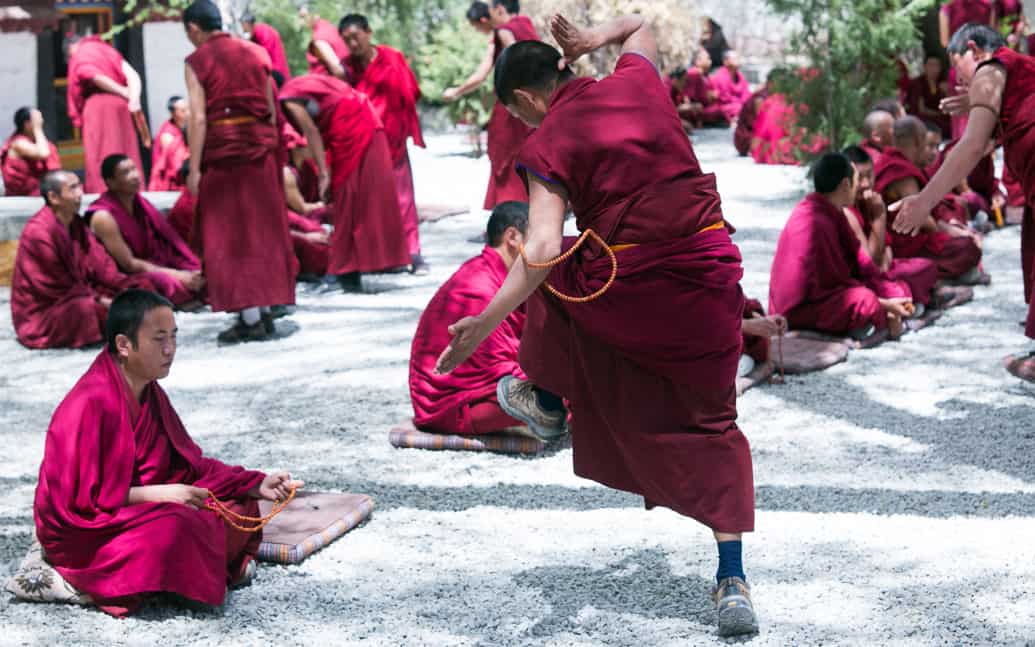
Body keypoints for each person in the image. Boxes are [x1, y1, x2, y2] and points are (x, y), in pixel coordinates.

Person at [436, 14, 759, 637]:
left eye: (519, 114)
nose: (526, 126)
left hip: (635, 288)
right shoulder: (635, 80)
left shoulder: (548, 140)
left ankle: (551, 401)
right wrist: (591, 40)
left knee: (561, 273)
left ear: (527, 99)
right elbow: (640, 24)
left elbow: (536, 249)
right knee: (715, 421)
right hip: (710, 274)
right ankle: (732, 578)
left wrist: (480, 326)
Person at [33, 289, 303, 617]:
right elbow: (82, 502)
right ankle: (187, 576)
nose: (170, 349)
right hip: (86, 528)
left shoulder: (148, 391)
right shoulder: (90, 403)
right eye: (158, 339)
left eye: (174, 337)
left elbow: (186, 463)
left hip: (133, 506)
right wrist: (161, 494)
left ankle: (184, 573)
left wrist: (253, 483)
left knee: (232, 504)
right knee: (178, 526)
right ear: (123, 345)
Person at [890, 24, 1035, 375]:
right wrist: (979, 100)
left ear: (974, 49)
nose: (961, 79)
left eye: (958, 66)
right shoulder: (1023, 67)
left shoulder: (992, 67)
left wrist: (924, 200)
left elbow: (971, 146)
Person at [183, 0, 297, 343]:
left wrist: (194, 166)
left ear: (193, 29)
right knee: (261, 230)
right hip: (260, 150)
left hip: (224, 153)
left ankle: (249, 320)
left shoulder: (196, 61)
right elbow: (271, 109)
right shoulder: (257, 52)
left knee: (232, 234)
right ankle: (263, 312)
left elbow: (199, 118)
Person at [278, 74, 410, 290]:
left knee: (348, 196)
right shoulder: (298, 86)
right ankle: (350, 267)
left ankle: (344, 267)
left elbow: (311, 131)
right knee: (350, 197)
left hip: (351, 123)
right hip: (358, 117)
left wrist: (323, 173)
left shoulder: (288, 97)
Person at [410, 202, 531, 436]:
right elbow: (499, 371)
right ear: (513, 237)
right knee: (548, 396)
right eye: (538, 242)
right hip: (450, 403)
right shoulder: (478, 287)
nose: (545, 251)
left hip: (483, 390)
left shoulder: (496, 274)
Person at [770, 153, 912, 340]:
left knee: (895, 289)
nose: (861, 186)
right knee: (865, 301)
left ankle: (879, 317)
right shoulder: (815, 221)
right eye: (856, 180)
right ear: (846, 184)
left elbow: (861, 263)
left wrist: (885, 293)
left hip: (824, 298)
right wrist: (883, 304)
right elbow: (834, 283)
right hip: (798, 310)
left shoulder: (830, 212)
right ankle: (881, 319)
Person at [10, 171, 155, 349]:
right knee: (87, 311)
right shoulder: (39, 233)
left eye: (79, 186)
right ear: (53, 197)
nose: (80, 193)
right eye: (72, 188)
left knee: (140, 288)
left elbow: (102, 265)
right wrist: (100, 300)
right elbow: (55, 286)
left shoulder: (77, 224)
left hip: (84, 292)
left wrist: (124, 286)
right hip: (46, 312)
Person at [341, 13, 428, 274]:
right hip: (364, 142)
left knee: (403, 198)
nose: (353, 44)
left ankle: (413, 252)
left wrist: (403, 125)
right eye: (347, 40)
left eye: (356, 37)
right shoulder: (346, 67)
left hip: (394, 137)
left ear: (368, 32)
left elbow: (411, 92)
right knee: (371, 202)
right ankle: (383, 257)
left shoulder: (392, 58)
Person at [445, 1, 541, 212]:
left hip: (512, 108)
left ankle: (511, 216)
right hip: (536, 105)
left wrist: (456, 91)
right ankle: (531, 215)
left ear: (499, 10)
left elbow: (485, 71)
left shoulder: (503, 31)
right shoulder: (528, 25)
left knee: (505, 160)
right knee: (531, 158)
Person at [874, 116, 984, 282]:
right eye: (927, 143)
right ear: (918, 140)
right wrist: (954, 235)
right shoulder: (901, 172)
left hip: (909, 241)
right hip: (908, 247)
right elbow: (924, 219)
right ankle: (936, 279)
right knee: (967, 248)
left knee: (962, 232)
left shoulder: (890, 161)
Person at [86, 154, 204, 307]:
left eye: (134, 169)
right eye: (125, 173)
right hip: (129, 275)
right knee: (169, 285)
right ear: (111, 183)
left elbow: (166, 240)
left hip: (155, 263)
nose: (135, 176)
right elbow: (128, 264)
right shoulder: (103, 216)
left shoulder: (140, 203)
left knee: (199, 273)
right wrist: (178, 275)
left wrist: (186, 270)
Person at [843, 145, 940, 310]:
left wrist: (885, 258)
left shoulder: (869, 202)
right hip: (860, 280)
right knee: (897, 290)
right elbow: (869, 264)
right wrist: (879, 217)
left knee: (927, 267)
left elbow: (886, 249)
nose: (866, 184)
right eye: (860, 178)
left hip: (882, 270)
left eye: (870, 176)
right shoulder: (846, 211)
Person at [67, 35, 145, 194]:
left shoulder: (82, 52)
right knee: (126, 151)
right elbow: (132, 74)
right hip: (122, 108)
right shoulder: (108, 50)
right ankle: (133, 192)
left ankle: (103, 193)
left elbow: (90, 74)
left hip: (98, 108)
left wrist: (121, 90)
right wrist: (134, 98)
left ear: (72, 47)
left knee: (101, 154)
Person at [1, 107, 60, 196]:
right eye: (38, 120)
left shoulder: (36, 142)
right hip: (22, 195)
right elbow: (43, 153)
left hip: (38, 191)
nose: (41, 121)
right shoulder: (18, 143)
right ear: (27, 124)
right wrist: (37, 129)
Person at [148, 96, 190, 192]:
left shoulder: (184, 127)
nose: (188, 113)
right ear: (173, 113)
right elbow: (175, 164)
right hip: (167, 182)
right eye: (183, 111)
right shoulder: (167, 135)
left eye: (188, 109)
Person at [905, 55, 951, 137]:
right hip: (922, 119)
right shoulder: (918, 83)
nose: (934, 69)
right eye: (931, 65)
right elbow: (921, 109)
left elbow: (948, 106)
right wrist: (939, 114)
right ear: (924, 67)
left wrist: (946, 92)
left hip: (938, 117)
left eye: (937, 65)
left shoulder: (941, 84)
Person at [299, 7, 348, 78]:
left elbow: (338, 71)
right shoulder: (331, 28)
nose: (301, 22)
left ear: (315, 15)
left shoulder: (319, 38)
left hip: (329, 85)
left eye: (303, 17)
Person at [241, 13, 291, 81]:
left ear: (249, 24)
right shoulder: (254, 36)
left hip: (277, 70)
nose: (244, 31)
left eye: (245, 29)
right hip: (270, 71)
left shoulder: (263, 31)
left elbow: (264, 55)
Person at [733, 71, 772, 156]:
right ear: (770, 83)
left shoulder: (769, 94)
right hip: (746, 139)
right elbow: (761, 125)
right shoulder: (760, 99)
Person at [709, 50, 752, 124]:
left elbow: (746, 93)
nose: (738, 61)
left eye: (738, 58)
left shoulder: (740, 76)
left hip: (738, 105)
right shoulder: (720, 76)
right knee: (739, 108)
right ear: (726, 61)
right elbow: (724, 98)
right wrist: (741, 105)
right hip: (724, 106)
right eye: (735, 59)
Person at [685, 49, 726, 126]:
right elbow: (689, 97)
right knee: (719, 111)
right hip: (698, 108)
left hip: (707, 106)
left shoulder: (706, 75)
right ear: (698, 61)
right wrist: (708, 96)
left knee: (720, 110)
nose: (710, 61)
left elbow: (713, 93)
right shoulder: (693, 73)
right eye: (707, 58)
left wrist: (713, 95)